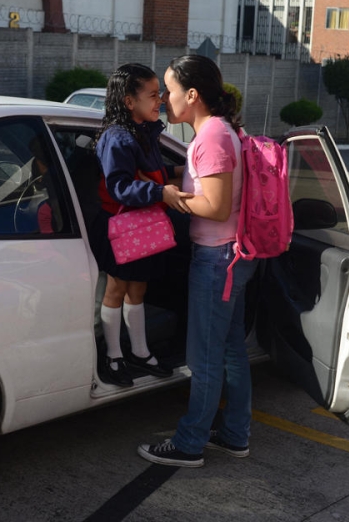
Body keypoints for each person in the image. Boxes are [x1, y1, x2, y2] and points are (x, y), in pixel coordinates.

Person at [137, 54, 258, 467]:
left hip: (217, 259)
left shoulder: (212, 137)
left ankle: (190, 444)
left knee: (204, 357)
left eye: (169, 91)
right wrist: (168, 179)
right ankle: (234, 435)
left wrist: (171, 197)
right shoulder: (218, 132)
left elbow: (218, 206)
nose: (165, 100)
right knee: (228, 351)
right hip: (230, 256)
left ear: (192, 94)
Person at [91, 62, 192, 387]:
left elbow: (148, 173)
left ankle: (139, 352)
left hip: (141, 226)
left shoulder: (141, 133)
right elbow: (120, 186)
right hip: (122, 225)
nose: (159, 100)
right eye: (152, 95)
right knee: (117, 288)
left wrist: (179, 173)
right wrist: (161, 191)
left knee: (138, 288)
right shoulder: (118, 138)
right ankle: (114, 356)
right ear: (129, 101)